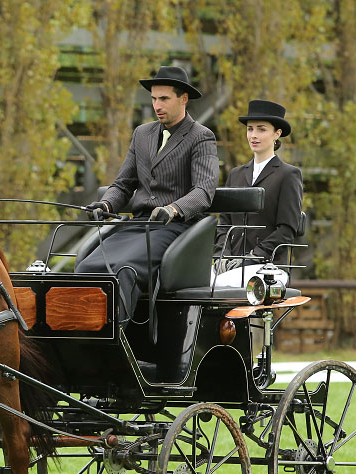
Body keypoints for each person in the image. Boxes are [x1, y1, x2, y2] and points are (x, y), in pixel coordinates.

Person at [76, 66, 218, 323]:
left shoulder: (201, 137)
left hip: (176, 229)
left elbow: (204, 190)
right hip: (136, 226)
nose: (157, 105)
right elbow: (122, 185)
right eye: (153, 99)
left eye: (164, 98)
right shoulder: (142, 134)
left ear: (183, 98)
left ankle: (117, 339)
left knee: (124, 269)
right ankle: (81, 336)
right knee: (87, 267)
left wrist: (173, 209)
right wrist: (106, 205)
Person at [213, 100, 303, 286]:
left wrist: (253, 257)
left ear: (277, 134)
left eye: (261, 129)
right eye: (250, 129)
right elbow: (224, 223)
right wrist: (222, 255)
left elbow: (286, 230)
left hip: (269, 266)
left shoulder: (288, 175)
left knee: (226, 285)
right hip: (231, 265)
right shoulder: (236, 175)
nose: (253, 135)